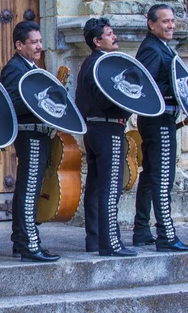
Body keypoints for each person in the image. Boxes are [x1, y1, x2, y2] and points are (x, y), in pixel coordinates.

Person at [133, 4, 188, 252]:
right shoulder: (151, 49)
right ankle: (166, 235)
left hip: (161, 119)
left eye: (172, 21)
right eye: (165, 21)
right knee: (162, 177)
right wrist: (176, 91)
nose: (171, 25)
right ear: (151, 23)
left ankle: (141, 231)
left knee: (150, 175)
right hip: (158, 120)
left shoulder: (160, 47)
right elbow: (145, 86)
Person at [76, 18, 137, 257]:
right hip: (108, 129)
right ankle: (110, 242)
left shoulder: (90, 63)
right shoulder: (103, 65)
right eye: (109, 34)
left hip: (93, 130)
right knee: (110, 188)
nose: (114, 37)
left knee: (94, 186)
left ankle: (94, 239)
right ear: (97, 41)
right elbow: (106, 101)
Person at [0, 21, 60, 262]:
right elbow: (12, 103)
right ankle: (29, 244)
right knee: (29, 189)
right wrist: (42, 100)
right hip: (29, 135)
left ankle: (20, 241)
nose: (39, 47)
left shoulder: (31, 67)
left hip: (38, 134)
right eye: (33, 42)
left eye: (40, 42)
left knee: (29, 188)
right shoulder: (15, 69)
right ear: (18, 45)